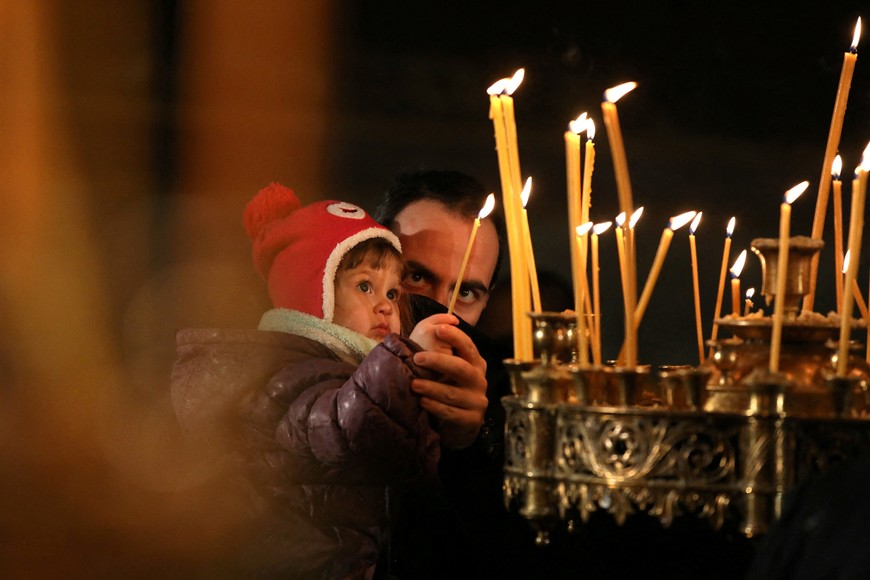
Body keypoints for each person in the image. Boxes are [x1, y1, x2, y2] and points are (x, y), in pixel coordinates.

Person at [170, 182, 475, 578]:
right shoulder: (285, 374)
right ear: (313, 293)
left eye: (392, 292)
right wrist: (409, 358)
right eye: (364, 286)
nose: (386, 306)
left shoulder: (349, 371)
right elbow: (347, 425)